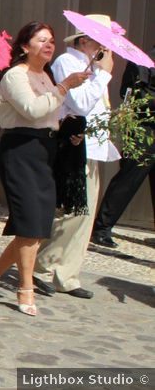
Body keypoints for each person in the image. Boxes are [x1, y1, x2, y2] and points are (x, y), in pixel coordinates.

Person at [0, 22, 88, 316]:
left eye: (51, 40)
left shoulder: (46, 75)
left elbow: (51, 114)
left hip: (45, 151)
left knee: (37, 226)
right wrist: (65, 86)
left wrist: (67, 129)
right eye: (41, 40)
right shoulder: (15, 76)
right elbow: (32, 110)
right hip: (20, 151)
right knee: (29, 224)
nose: (49, 45)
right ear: (25, 46)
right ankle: (25, 288)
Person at [31, 20, 119, 299]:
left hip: (91, 145)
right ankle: (41, 265)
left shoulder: (93, 67)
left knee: (85, 214)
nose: (104, 47)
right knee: (71, 211)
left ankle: (67, 274)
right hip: (72, 145)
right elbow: (79, 103)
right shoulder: (68, 62)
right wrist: (103, 76)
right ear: (84, 41)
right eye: (99, 41)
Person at [92, 43, 155, 248]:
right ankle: (101, 228)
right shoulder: (142, 62)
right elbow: (129, 96)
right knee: (129, 178)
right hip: (143, 128)